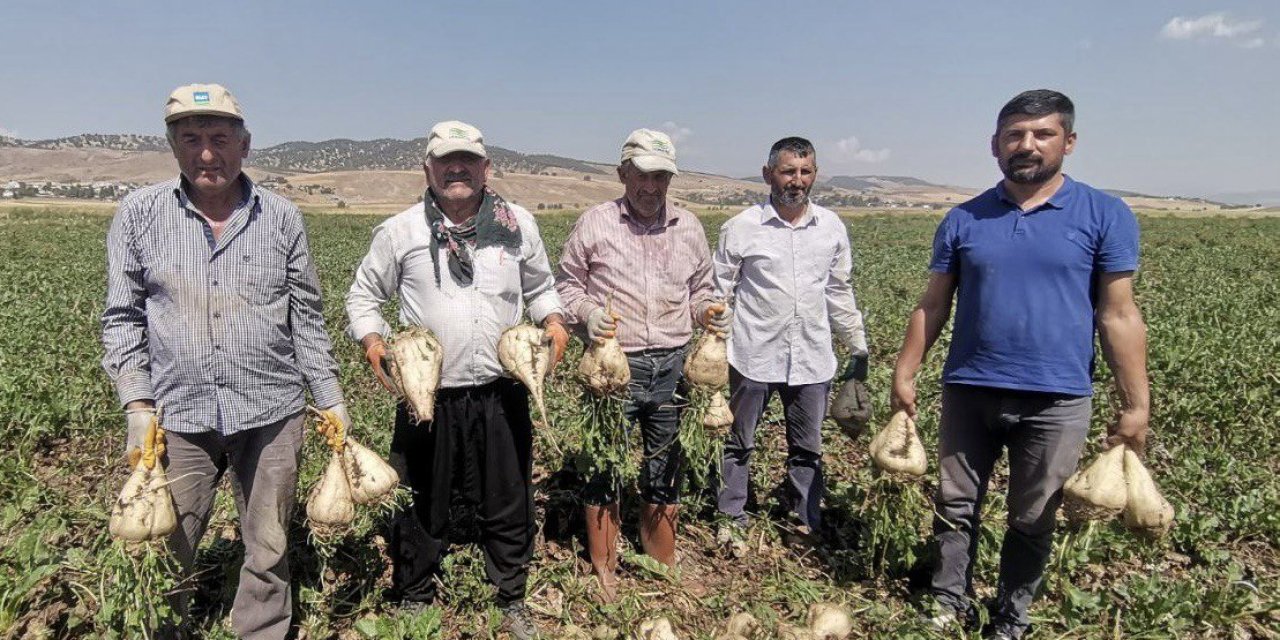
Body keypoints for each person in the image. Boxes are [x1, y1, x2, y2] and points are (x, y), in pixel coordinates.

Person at [891, 90, 1150, 640]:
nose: (1026, 145)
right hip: (969, 387)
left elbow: (1119, 314)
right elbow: (933, 304)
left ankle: (1011, 616)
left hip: (1057, 396)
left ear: (1068, 142)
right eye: (1014, 135)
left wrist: (1136, 404)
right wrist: (905, 371)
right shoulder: (964, 218)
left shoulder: (1105, 214)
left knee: (1034, 515)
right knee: (955, 503)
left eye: (1042, 134)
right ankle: (947, 601)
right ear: (995, 145)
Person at [100, 83, 350, 639]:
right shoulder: (139, 214)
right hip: (177, 413)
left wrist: (330, 396)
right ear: (173, 146)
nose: (206, 153)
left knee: (269, 542)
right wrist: (137, 402)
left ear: (245, 144)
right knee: (167, 539)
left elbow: (306, 317)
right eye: (191, 139)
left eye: (219, 137)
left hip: (272, 410)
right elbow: (122, 316)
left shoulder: (281, 217)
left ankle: (262, 629)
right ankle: (166, 629)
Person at [345, 120, 566, 640]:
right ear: (428, 169)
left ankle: (510, 595)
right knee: (421, 492)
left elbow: (540, 289)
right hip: (427, 392)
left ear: (486, 168)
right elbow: (363, 296)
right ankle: (414, 592)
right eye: (446, 161)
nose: (457, 169)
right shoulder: (401, 231)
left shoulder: (518, 226)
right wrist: (374, 343)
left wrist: (554, 323)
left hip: (501, 389)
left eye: (468, 160)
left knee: (508, 493)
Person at [555, 129, 723, 601]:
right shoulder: (595, 223)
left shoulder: (688, 226)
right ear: (623, 174)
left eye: (661, 177)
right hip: (612, 367)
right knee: (603, 460)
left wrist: (708, 312)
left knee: (665, 463)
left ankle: (660, 559)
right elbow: (566, 286)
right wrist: (589, 314)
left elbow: (701, 290)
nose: (651, 186)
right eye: (642, 175)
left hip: (673, 364)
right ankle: (604, 564)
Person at [712, 137, 870, 551]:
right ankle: (731, 516)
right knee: (738, 441)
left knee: (807, 447)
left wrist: (857, 345)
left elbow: (839, 290)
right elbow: (719, 291)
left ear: (815, 175)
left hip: (812, 357)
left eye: (805, 172)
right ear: (768, 175)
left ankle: (804, 520)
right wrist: (713, 337)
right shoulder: (741, 227)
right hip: (752, 354)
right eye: (787, 172)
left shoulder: (831, 227)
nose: (796, 180)